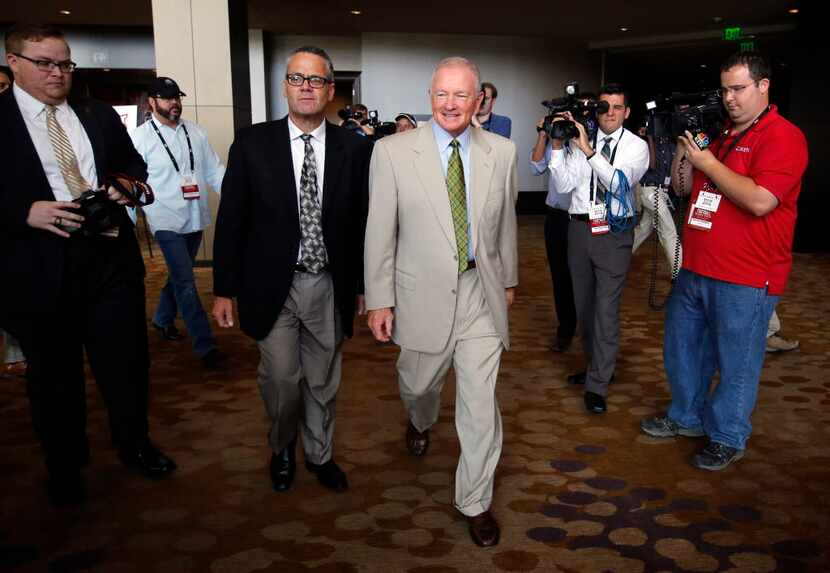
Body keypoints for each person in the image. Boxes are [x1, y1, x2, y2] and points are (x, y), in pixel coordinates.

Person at [0, 24, 176, 505]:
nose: (58, 73)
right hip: (39, 268)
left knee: (126, 366)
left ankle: (134, 444)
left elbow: (133, 166)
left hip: (109, 260)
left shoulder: (96, 113)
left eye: (65, 63)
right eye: (45, 63)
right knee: (54, 378)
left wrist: (125, 184)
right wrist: (22, 211)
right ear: (14, 62)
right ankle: (65, 465)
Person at [365, 56, 518, 548]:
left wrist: (508, 281)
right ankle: (419, 417)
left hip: (480, 294)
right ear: (430, 97)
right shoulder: (391, 152)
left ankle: (474, 500)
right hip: (419, 295)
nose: (450, 104)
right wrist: (380, 299)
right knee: (418, 383)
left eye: (461, 95)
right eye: (441, 94)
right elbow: (379, 232)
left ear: (478, 102)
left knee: (479, 405)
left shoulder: (502, 151)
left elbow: (505, 225)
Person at [212, 46, 371, 494]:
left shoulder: (353, 148)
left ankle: (319, 454)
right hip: (269, 285)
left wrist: (363, 286)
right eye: (297, 78)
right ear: (284, 86)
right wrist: (224, 288)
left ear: (329, 90)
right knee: (282, 378)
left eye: (316, 80)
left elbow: (361, 222)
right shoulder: (252, 143)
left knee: (322, 379)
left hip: (328, 283)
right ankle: (282, 445)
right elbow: (231, 221)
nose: (306, 87)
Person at [640, 52, 808, 470]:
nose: (729, 98)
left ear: (763, 86)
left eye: (738, 88)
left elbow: (758, 200)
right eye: (725, 89)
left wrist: (707, 162)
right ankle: (686, 417)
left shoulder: (783, 136)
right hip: (696, 265)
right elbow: (681, 189)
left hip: (747, 275)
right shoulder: (719, 135)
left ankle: (728, 435)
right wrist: (684, 150)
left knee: (737, 361)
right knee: (683, 350)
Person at [548, 84, 649, 414]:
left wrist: (590, 151)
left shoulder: (636, 146)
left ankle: (598, 383)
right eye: (604, 107)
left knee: (606, 310)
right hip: (578, 230)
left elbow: (618, 183)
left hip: (614, 234)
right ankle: (597, 367)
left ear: (626, 112)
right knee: (585, 307)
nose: (609, 113)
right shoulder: (578, 141)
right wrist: (558, 145)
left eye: (616, 107)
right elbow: (563, 185)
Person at [130, 76, 226, 368]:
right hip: (165, 218)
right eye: (167, 98)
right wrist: (128, 219)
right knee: (186, 281)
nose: (175, 103)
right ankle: (205, 345)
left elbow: (214, 171)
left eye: (177, 97)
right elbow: (132, 184)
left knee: (177, 275)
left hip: (195, 216)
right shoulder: (140, 138)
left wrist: (237, 199)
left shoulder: (195, 132)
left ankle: (161, 319)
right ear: (152, 102)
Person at [531, 114, 576, 353]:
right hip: (555, 217)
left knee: (580, 276)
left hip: (578, 218)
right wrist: (543, 133)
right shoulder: (552, 143)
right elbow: (536, 166)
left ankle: (586, 325)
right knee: (559, 275)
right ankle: (566, 327)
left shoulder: (581, 144)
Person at [632, 130, 682, 273]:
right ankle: (678, 272)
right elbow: (651, 165)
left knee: (644, 229)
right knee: (669, 230)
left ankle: (620, 255)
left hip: (662, 191)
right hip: (649, 190)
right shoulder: (643, 142)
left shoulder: (671, 142)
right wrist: (649, 138)